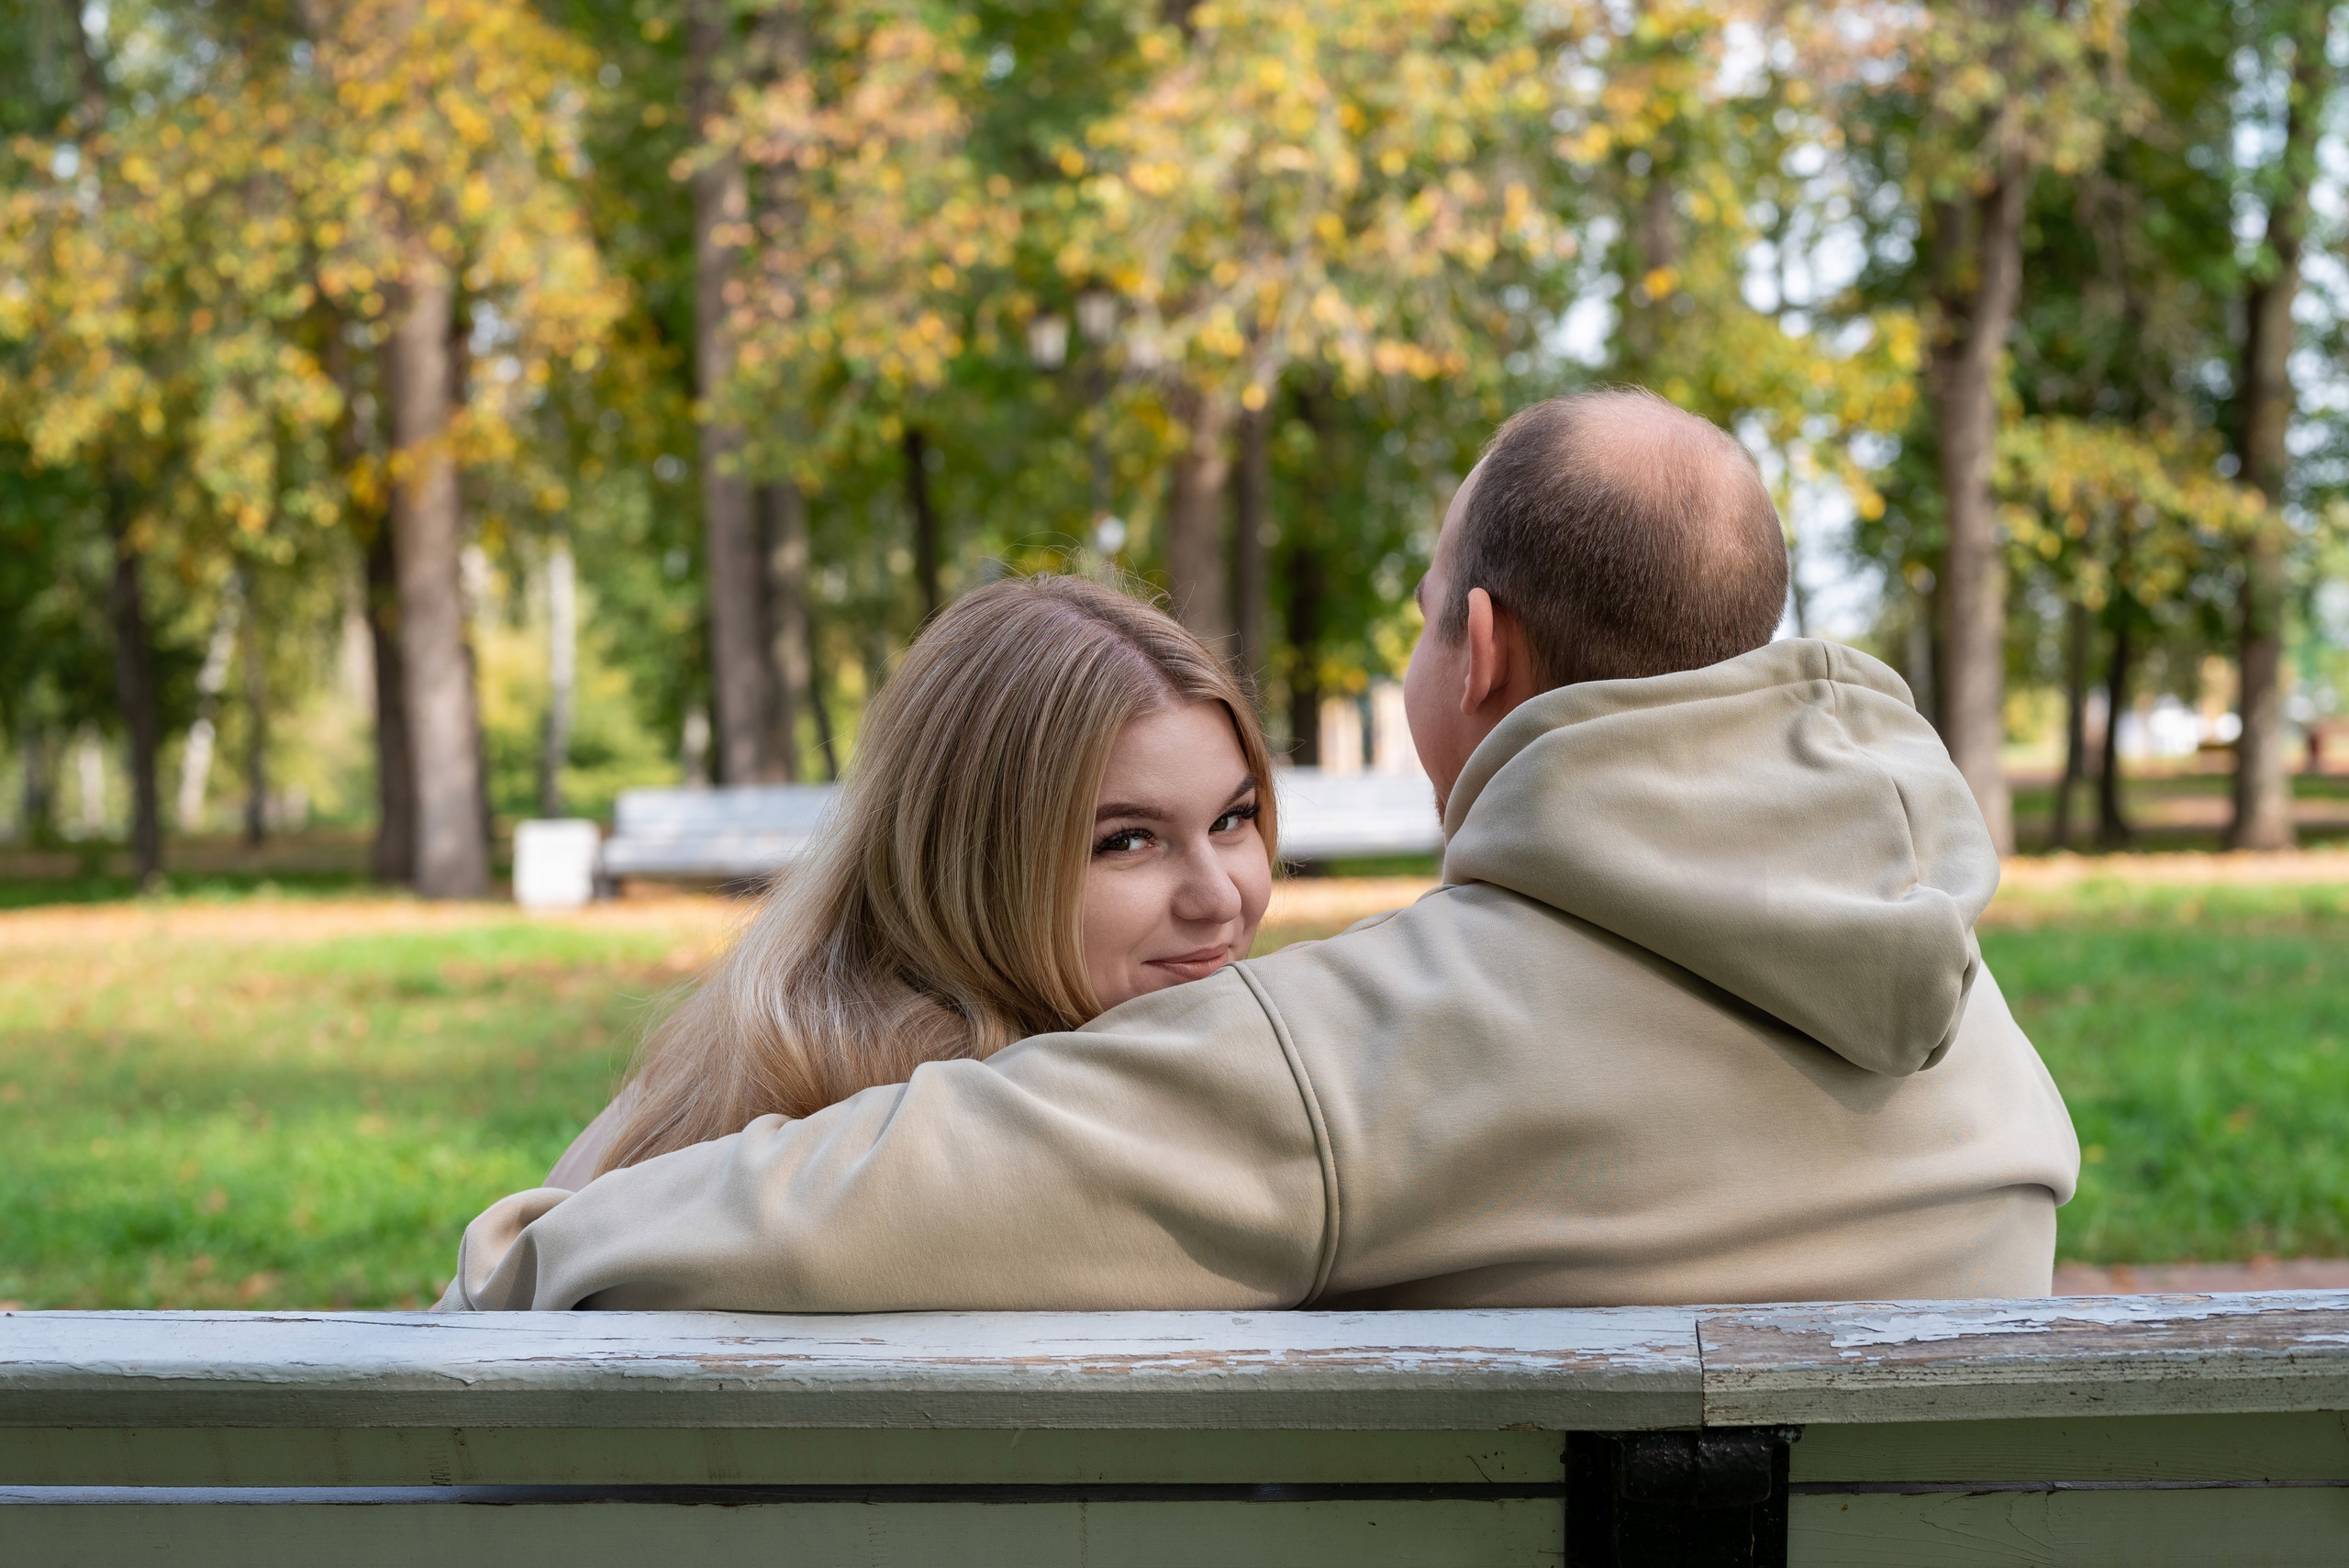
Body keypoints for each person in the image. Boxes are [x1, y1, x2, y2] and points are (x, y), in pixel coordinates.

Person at [441, 387, 2077, 1313]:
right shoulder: (1974, 1028)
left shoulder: (1353, 1062)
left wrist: (531, 1238)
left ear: (1480, 651)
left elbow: (774, 1220)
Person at [547, 571, 1280, 1184]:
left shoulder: (757, 1046)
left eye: (1232, 819)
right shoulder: (957, 1138)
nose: (1218, 898)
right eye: (1126, 840)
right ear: (972, 860)